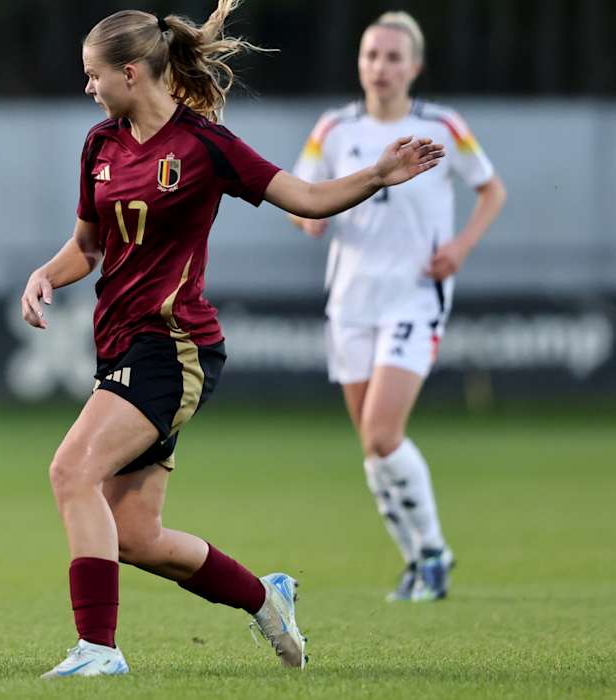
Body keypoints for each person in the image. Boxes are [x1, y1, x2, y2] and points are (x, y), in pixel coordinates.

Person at [21, 4, 444, 677]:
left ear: (130, 72)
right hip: (120, 345)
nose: (88, 89)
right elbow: (87, 246)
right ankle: (264, 597)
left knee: (71, 471)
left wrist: (375, 176)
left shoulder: (204, 145)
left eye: (93, 75)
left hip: (173, 344)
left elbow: (303, 197)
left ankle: (98, 651)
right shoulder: (100, 146)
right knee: (133, 536)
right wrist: (47, 274)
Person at [288, 12, 506, 602]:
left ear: (414, 66)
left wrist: (460, 246)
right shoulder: (333, 129)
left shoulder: (440, 125)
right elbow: (302, 200)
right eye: (370, 55)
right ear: (359, 63)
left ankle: (433, 551)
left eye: (392, 57)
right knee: (372, 447)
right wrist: (307, 218)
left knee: (384, 434)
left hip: (413, 296)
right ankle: (419, 561)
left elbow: (491, 188)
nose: (379, 67)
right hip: (352, 302)